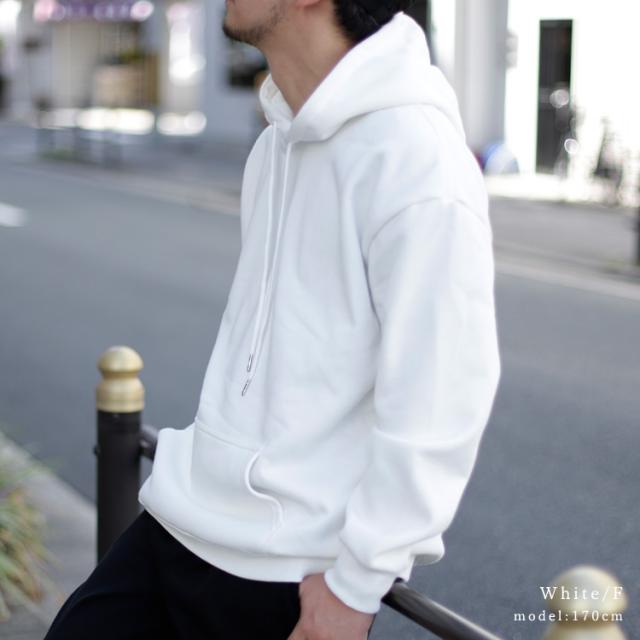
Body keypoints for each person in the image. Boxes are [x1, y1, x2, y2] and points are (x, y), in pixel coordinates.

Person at [44, 0, 502, 638]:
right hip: (184, 519)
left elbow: (443, 394)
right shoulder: (276, 140)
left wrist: (356, 587)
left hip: (284, 569)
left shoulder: (417, 159)